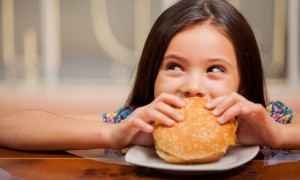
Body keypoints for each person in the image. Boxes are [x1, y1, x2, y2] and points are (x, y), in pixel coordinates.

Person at [0, 0, 299, 151]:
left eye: (215, 69)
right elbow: (10, 127)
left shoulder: (266, 123)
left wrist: (281, 135)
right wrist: (114, 134)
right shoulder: (136, 124)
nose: (193, 87)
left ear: (243, 83)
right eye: (174, 66)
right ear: (150, 75)